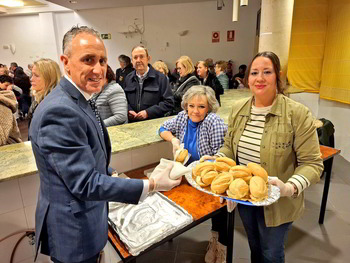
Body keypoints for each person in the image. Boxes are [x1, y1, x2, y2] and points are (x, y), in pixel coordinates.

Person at [29, 26, 181, 263]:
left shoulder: (81, 98)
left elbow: (87, 153)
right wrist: (150, 185)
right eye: (88, 59)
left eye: (102, 60)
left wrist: (112, 173)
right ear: (65, 61)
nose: (98, 69)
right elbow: (84, 183)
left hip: (87, 218)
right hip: (73, 230)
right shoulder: (59, 110)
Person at [211, 51, 323, 263]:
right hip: (245, 196)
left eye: (267, 72)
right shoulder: (238, 109)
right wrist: (217, 160)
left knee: (271, 253)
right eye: (254, 72)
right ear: (248, 79)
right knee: (254, 246)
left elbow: (312, 163)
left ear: (277, 76)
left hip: (278, 201)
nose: (259, 78)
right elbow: (229, 146)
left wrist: (289, 188)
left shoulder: (297, 114)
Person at [159, 85, 229, 263]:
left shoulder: (214, 121)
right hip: (186, 172)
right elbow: (162, 128)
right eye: (191, 106)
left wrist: (203, 167)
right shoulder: (182, 117)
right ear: (186, 106)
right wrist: (174, 139)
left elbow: (220, 154)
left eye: (201, 106)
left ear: (209, 107)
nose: (195, 111)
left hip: (208, 174)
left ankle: (218, 245)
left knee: (217, 211)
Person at [124, 45, 174, 122]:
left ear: (148, 58)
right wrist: (129, 110)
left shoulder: (161, 78)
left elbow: (169, 102)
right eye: (135, 57)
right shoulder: (128, 78)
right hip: (133, 124)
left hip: (153, 123)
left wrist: (148, 112)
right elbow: (124, 100)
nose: (138, 60)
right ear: (132, 61)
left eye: (141, 57)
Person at [28, 58, 61, 130]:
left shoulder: (55, 104)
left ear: (49, 78)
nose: (31, 79)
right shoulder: (38, 96)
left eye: (36, 75)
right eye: (32, 74)